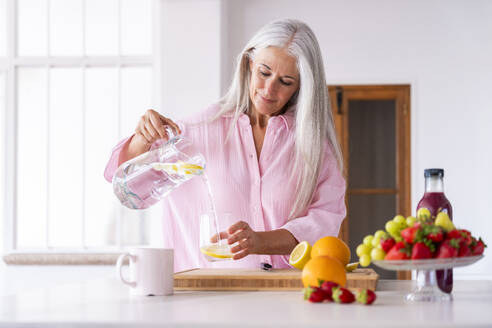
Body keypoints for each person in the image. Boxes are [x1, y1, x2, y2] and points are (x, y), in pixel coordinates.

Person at [104, 18, 346, 272]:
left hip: (284, 295)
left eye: (285, 82)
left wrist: (260, 241)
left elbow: (326, 221)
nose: (269, 89)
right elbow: (128, 189)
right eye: (264, 72)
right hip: (204, 297)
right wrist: (142, 141)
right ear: (249, 64)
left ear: (301, 86)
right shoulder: (195, 131)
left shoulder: (312, 146)